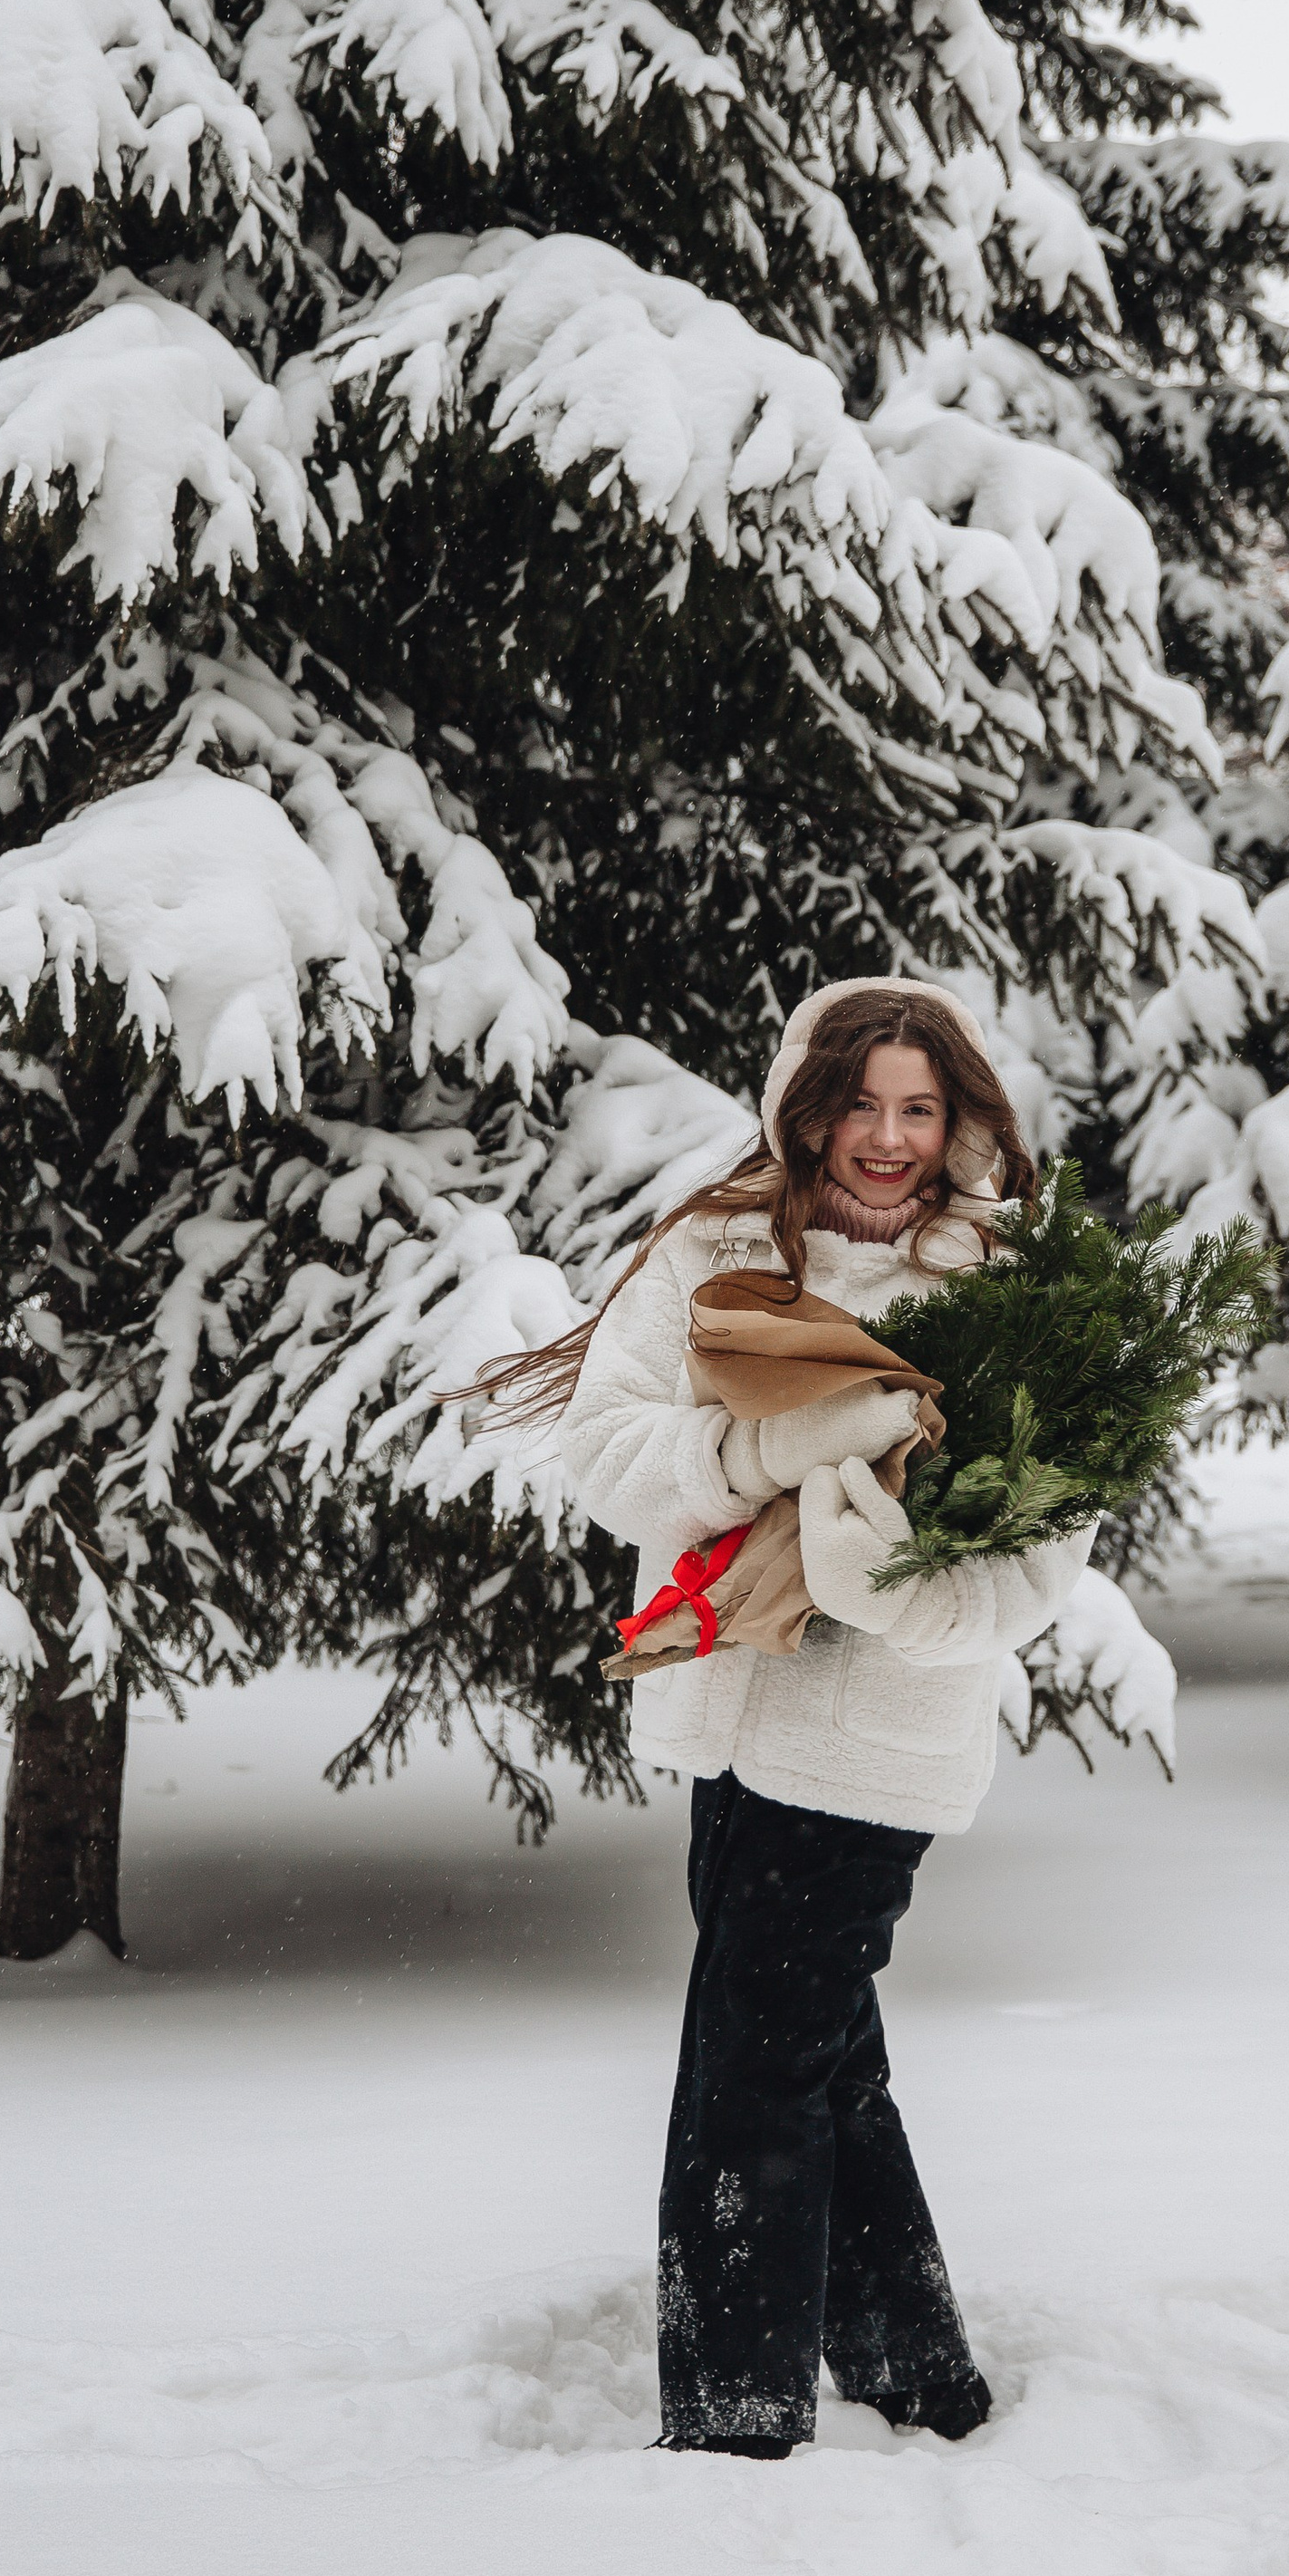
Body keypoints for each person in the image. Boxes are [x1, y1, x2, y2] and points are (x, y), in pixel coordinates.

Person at [491, 978, 1095, 2457]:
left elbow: (1036, 1564)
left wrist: (887, 1584)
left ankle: (737, 2416)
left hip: (877, 1744)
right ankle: (914, 2370)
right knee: (822, 2052)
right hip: (719, 1712)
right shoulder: (710, 1252)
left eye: (919, 1109)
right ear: (802, 1102)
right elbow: (607, 1452)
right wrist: (768, 1444)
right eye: (860, 1103)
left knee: (750, 2069)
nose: (886, 1139)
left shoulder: (1003, 1287)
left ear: (959, 1124)